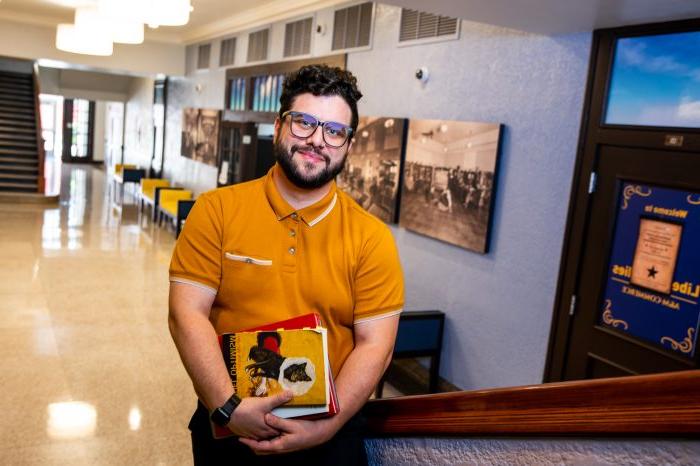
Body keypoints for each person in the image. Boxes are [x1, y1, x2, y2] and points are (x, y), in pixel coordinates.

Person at [168, 64, 404, 465]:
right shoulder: (216, 211)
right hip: (228, 427)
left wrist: (327, 426)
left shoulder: (372, 238)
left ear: (348, 144)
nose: (316, 140)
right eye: (303, 123)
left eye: (334, 131)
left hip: (328, 436)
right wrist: (228, 406)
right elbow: (186, 313)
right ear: (278, 126)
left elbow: (375, 345)